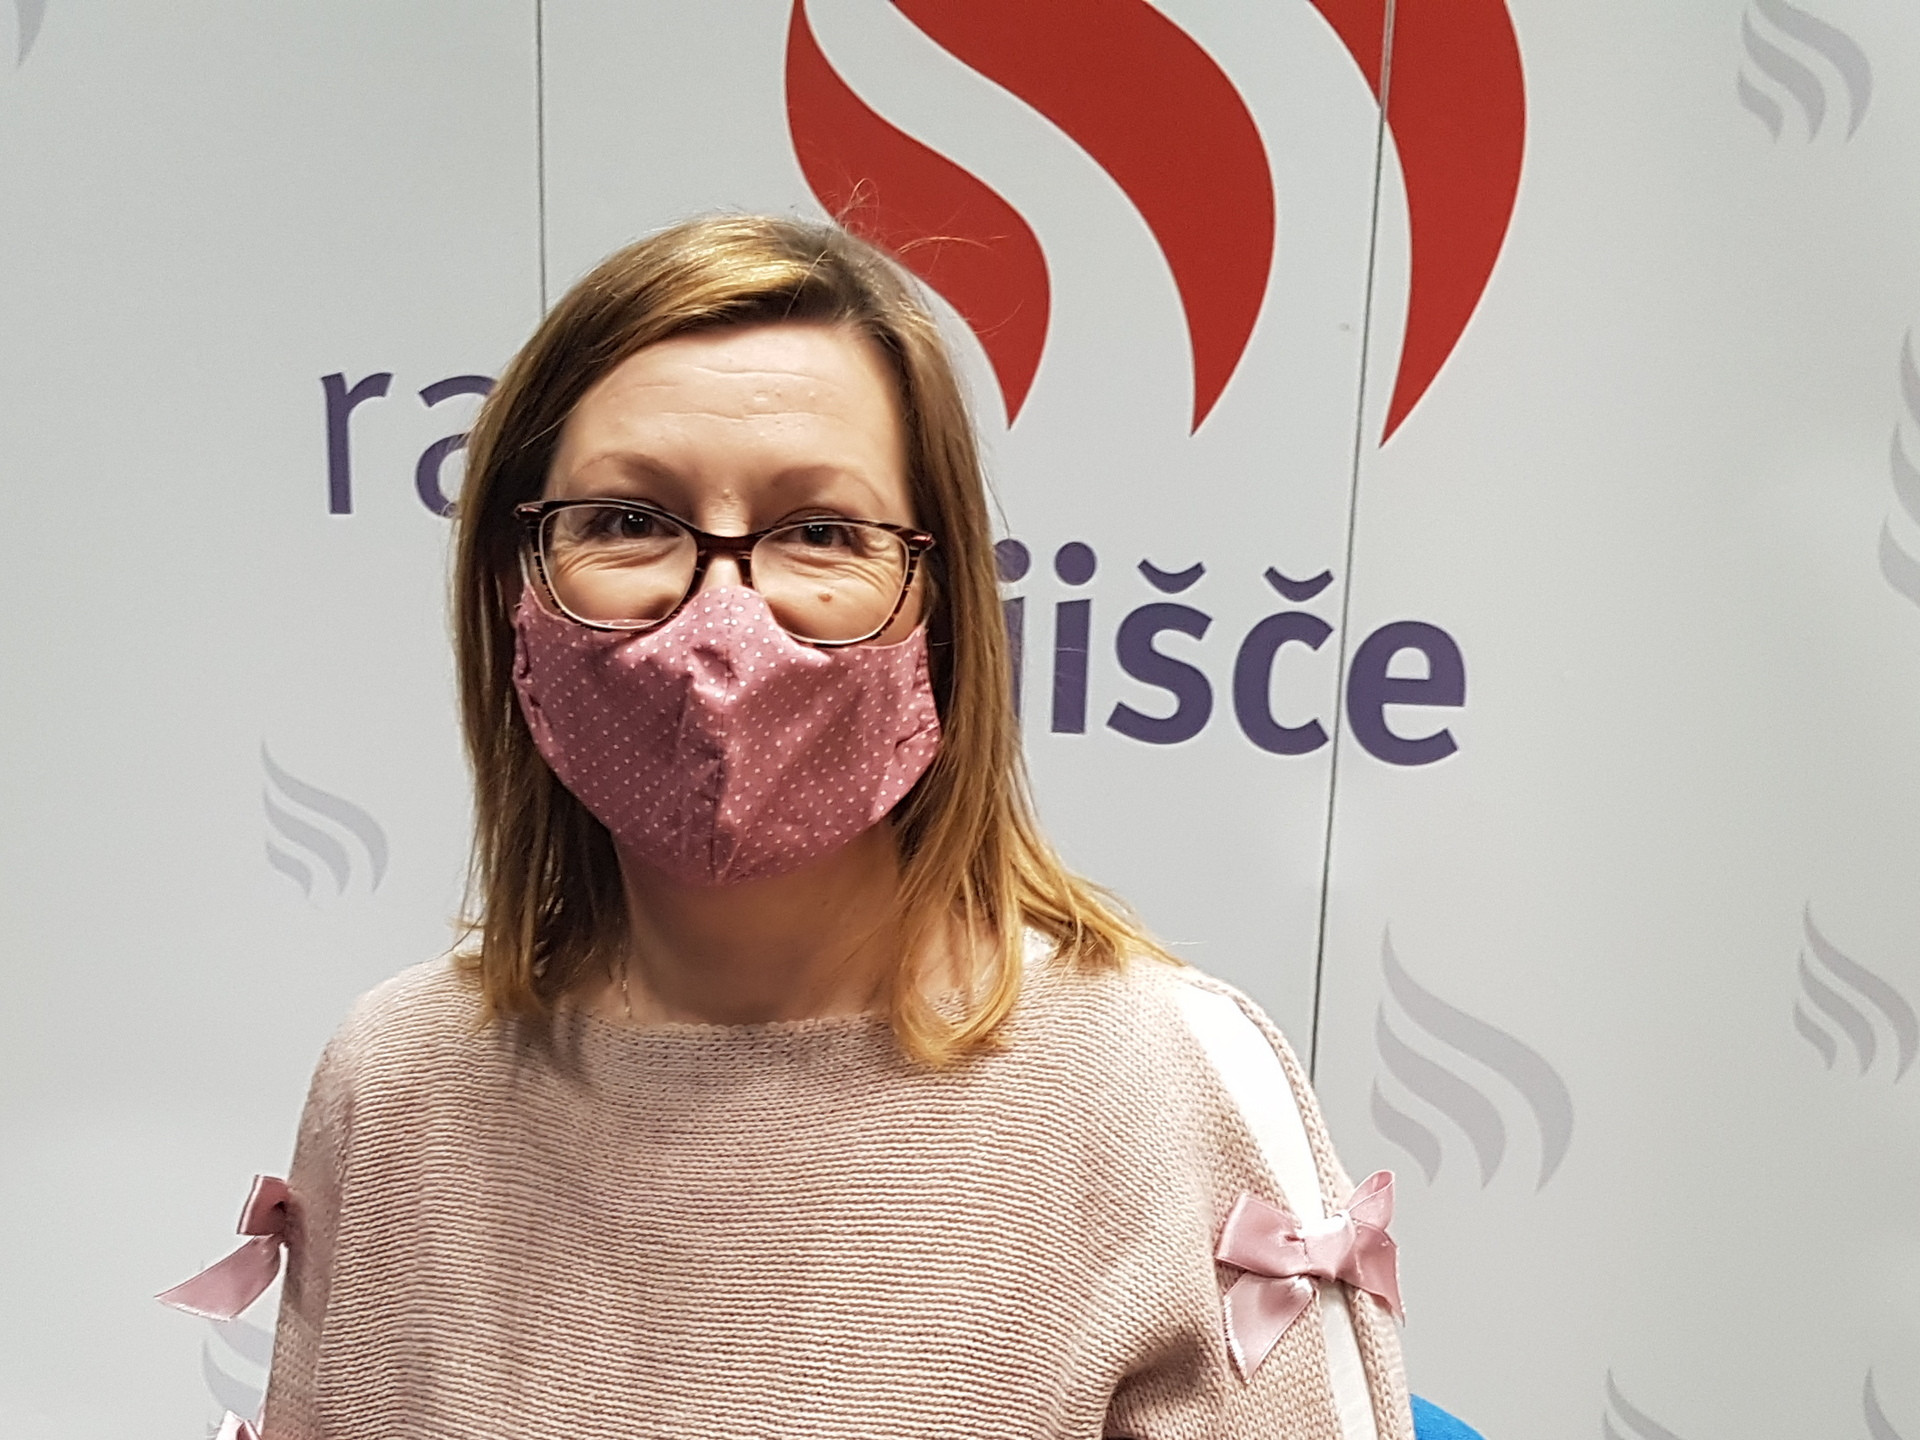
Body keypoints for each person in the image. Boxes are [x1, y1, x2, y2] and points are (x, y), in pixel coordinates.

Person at [164, 214, 1413, 1439]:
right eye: (628, 521)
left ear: (935, 605)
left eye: (820, 533)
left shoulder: (1157, 1091)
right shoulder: (393, 1080)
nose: (720, 625)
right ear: (516, 590)